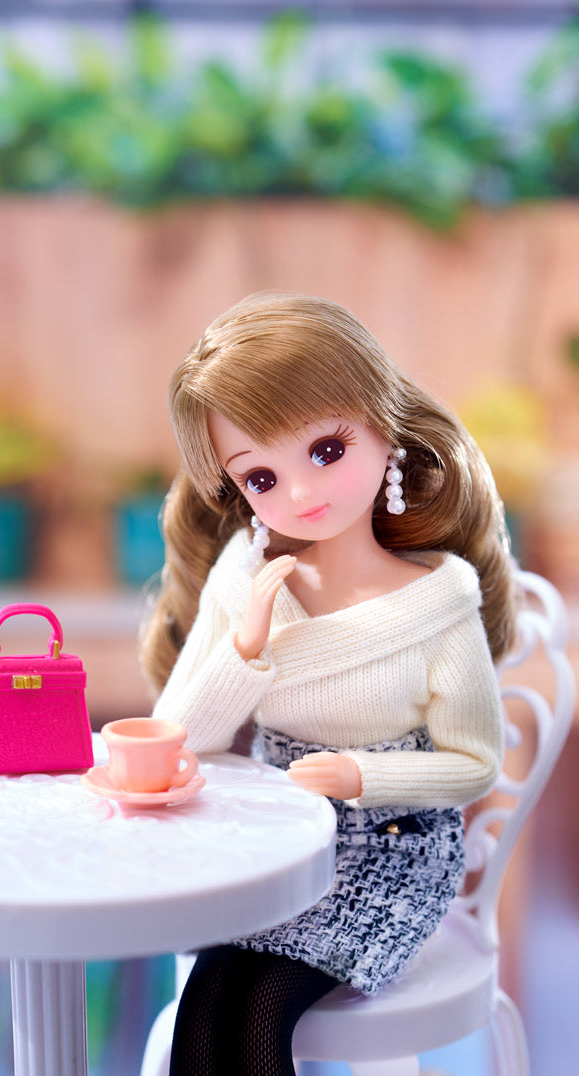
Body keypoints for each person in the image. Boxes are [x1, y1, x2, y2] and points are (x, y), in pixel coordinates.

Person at [140, 291, 517, 1076]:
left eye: (326, 450)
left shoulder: (437, 601)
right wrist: (245, 646)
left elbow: (476, 763)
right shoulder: (247, 578)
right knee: (205, 1011)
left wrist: (360, 775)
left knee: (261, 1011)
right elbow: (177, 736)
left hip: (393, 848)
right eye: (261, 477)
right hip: (275, 845)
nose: (302, 495)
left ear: (384, 428)